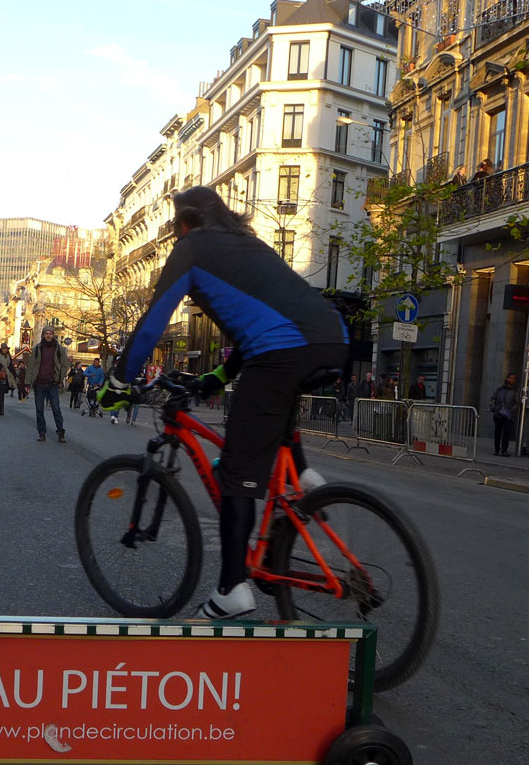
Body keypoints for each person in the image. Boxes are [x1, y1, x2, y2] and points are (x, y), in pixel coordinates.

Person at [99, 185, 347, 620]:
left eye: (175, 226)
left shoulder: (192, 248)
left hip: (281, 353)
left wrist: (119, 380)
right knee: (267, 429)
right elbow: (259, 321)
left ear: (183, 223)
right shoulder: (248, 244)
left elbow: (153, 321)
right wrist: (215, 377)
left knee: (236, 475)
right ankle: (301, 480)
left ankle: (232, 589)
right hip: (332, 338)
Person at [25, 326, 69, 443]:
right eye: (46, 333)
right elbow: (31, 366)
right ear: (43, 335)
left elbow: (65, 365)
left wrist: (60, 378)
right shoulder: (37, 349)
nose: (48, 335)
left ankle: (61, 432)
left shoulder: (60, 349)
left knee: (56, 409)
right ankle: (42, 433)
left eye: (50, 333)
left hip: (52, 383)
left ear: (53, 335)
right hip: (39, 383)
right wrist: (27, 382)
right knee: (39, 410)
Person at [489, 371, 520, 456]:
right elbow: (492, 399)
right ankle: (497, 450)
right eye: (510, 378)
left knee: (506, 433)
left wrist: (511, 411)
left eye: (513, 378)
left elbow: (517, 403)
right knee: (497, 433)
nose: (512, 380)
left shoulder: (515, 391)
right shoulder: (500, 389)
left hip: (508, 415)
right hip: (498, 414)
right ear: (507, 378)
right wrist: (494, 408)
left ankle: (504, 450)